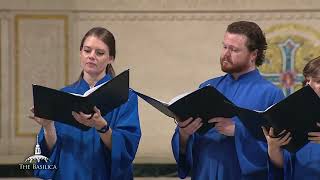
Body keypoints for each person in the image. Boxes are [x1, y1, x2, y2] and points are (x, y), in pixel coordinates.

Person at [171, 21, 285, 180]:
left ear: (253, 54)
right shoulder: (207, 87)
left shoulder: (271, 94)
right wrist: (184, 134)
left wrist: (238, 131)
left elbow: (280, 150)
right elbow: (185, 148)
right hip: (205, 171)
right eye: (225, 47)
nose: (226, 54)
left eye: (234, 50)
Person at [29, 27, 141, 180]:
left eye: (99, 53)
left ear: (111, 58)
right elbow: (50, 153)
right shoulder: (63, 95)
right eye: (87, 50)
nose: (91, 56)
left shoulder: (125, 97)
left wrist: (102, 127)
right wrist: (48, 126)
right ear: (80, 53)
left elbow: (127, 150)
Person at [263, 56, 320, 180]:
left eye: (318, 81)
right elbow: (285, 166)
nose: (310, 85)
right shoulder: (296, 114)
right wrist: (273, 147)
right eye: (307, 81)